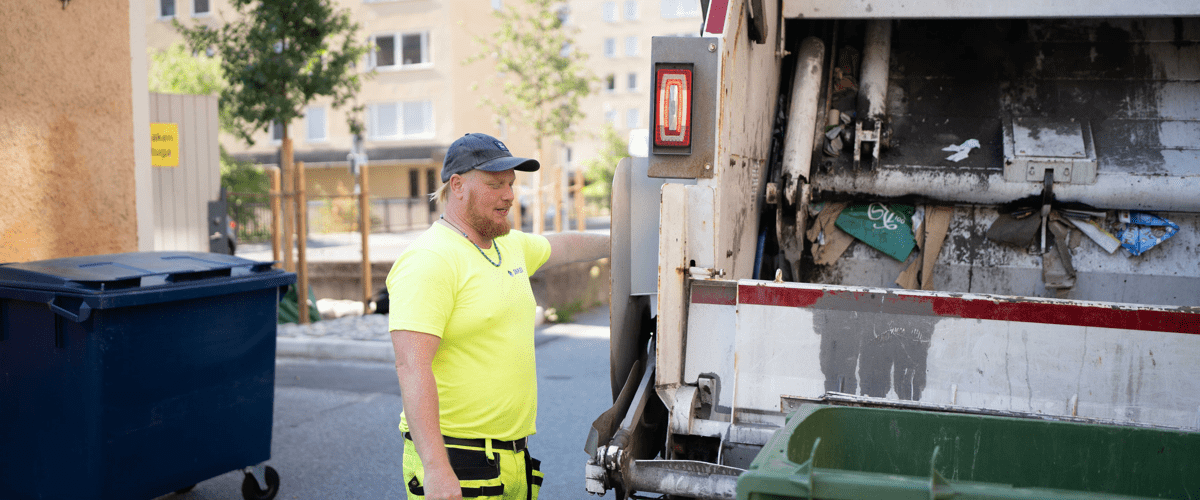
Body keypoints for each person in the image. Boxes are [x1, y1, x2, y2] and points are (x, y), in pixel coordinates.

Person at [387, 132, 609, 500]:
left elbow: (565, 245)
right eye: (494, 184)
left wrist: (625, 238)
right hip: (457, 459)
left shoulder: (507, 245)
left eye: (511, 184)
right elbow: (412, 367)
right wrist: (437, 469)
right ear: (457, 186)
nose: (508, 195)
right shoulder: (430, 259)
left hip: (510, 456)